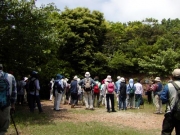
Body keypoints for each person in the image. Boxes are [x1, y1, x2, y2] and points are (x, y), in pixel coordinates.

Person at [160, 69, 180, 135]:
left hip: (170, 112)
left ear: (173, 76)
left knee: (166, 132)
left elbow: (163, 98)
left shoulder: (168, 86)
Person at [0, 64, 17, 135]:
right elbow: (14, 93)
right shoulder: (10, 76)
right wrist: (13, 105)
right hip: (5, 105)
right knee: (3, 129)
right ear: (2, 68)